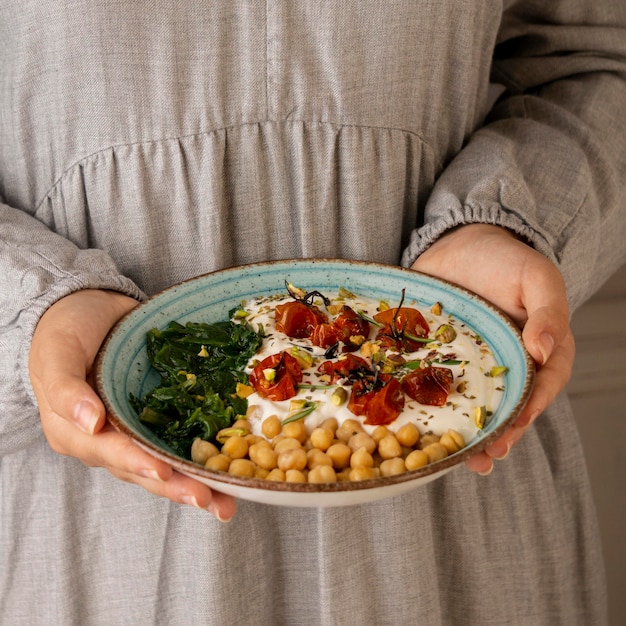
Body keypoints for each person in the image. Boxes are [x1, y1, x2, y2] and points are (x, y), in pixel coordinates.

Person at [1, 1, 625, 624]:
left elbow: (594, 58)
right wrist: (37, 298)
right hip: (97, 509)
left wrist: (511, 217)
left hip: (459, 485)